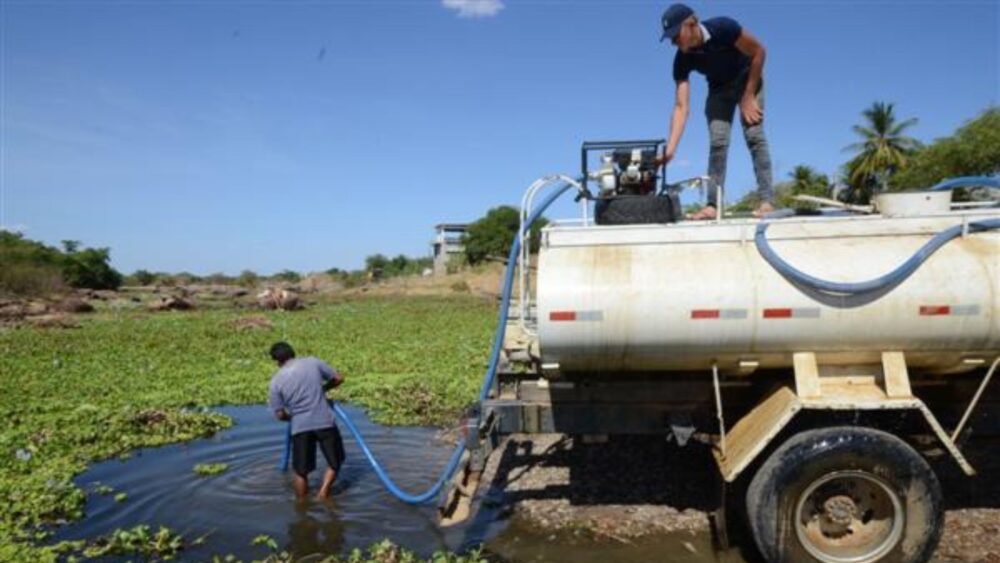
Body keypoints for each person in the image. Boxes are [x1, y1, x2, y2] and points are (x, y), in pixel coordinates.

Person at [657, 3, 774, 220]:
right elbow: (681, 106)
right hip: (719, 88)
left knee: (754, 135)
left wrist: (748, 96)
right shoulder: (682, 60)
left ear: (691, 24)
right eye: (669, 38)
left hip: (748, 78)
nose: (673, 42)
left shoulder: (724, 28)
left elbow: (759, 51)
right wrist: (671, 149)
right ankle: (713, 205)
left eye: (675, 35)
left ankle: (767, 200)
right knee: (718, 141)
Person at [268, 341, 346, 500]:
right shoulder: (313, 362)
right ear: (293, 352)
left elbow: (280, 415)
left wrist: (292, 417)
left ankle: (302, 505)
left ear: (277, 361)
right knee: (335, 462)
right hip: (324, 422)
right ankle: (323, 493)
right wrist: (323, 389)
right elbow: (338, 378)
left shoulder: (275, 381)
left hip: (299, 427)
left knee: (301, 472)